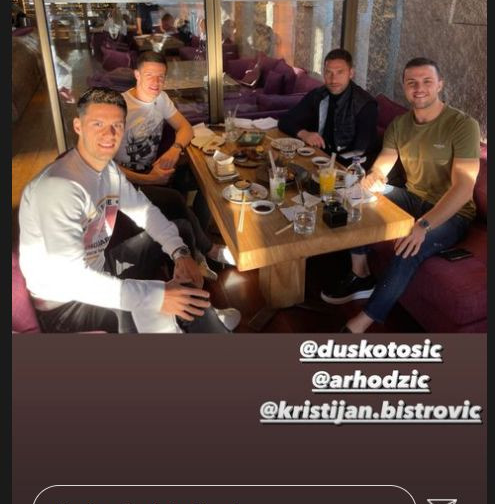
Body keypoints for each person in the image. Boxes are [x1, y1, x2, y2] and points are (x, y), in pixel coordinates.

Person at [19, 88, 237, 334]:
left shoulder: (108, 170)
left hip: (102, 269)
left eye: (117, 125)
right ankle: (201, 321)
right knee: (158, 304)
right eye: (98, 124)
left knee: (181, 233)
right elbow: (74, 280)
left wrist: (179, 253)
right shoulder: (58, 188)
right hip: (68, 305)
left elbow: (144, 211)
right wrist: (157, 297)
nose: (109, 134)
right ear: (78, 126)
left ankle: (200, 316)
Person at [321, 58, 481, 332]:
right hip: (413, 198)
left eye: (427, 81)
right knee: (355, 198)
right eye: (412, 83)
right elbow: (381, 169)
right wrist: (371, 180)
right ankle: (360, 273)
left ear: (440, 85)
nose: (419, 88)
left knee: (409, 247)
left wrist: (423, 225)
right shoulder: (399, 124)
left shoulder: (463, 125)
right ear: (404, 87)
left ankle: (362, 322)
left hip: (453, 213)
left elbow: (463, 188)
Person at [115, 52, 236, 274]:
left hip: (156, 170)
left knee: (207, 179)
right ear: (137, 75)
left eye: (161, 77)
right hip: (126, 182)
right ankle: (208, 250)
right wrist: (149, 179)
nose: (156, 82)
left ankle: (196, 243)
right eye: (149, 75)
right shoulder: (120, 108)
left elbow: (185, 128)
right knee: (174, 198)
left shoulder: (161, 99)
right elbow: (106, 166)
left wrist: (175, 149)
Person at [278, 49, 379, 169]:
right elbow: (285, 120)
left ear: (351, 73)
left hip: (346, 168)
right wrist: (305, 134)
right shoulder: (318, 95)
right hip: (316, 159)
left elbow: (360, 151)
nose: (333, 79)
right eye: (328, 72)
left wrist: (329, 164)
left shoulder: (365, 105)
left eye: (340, 72)